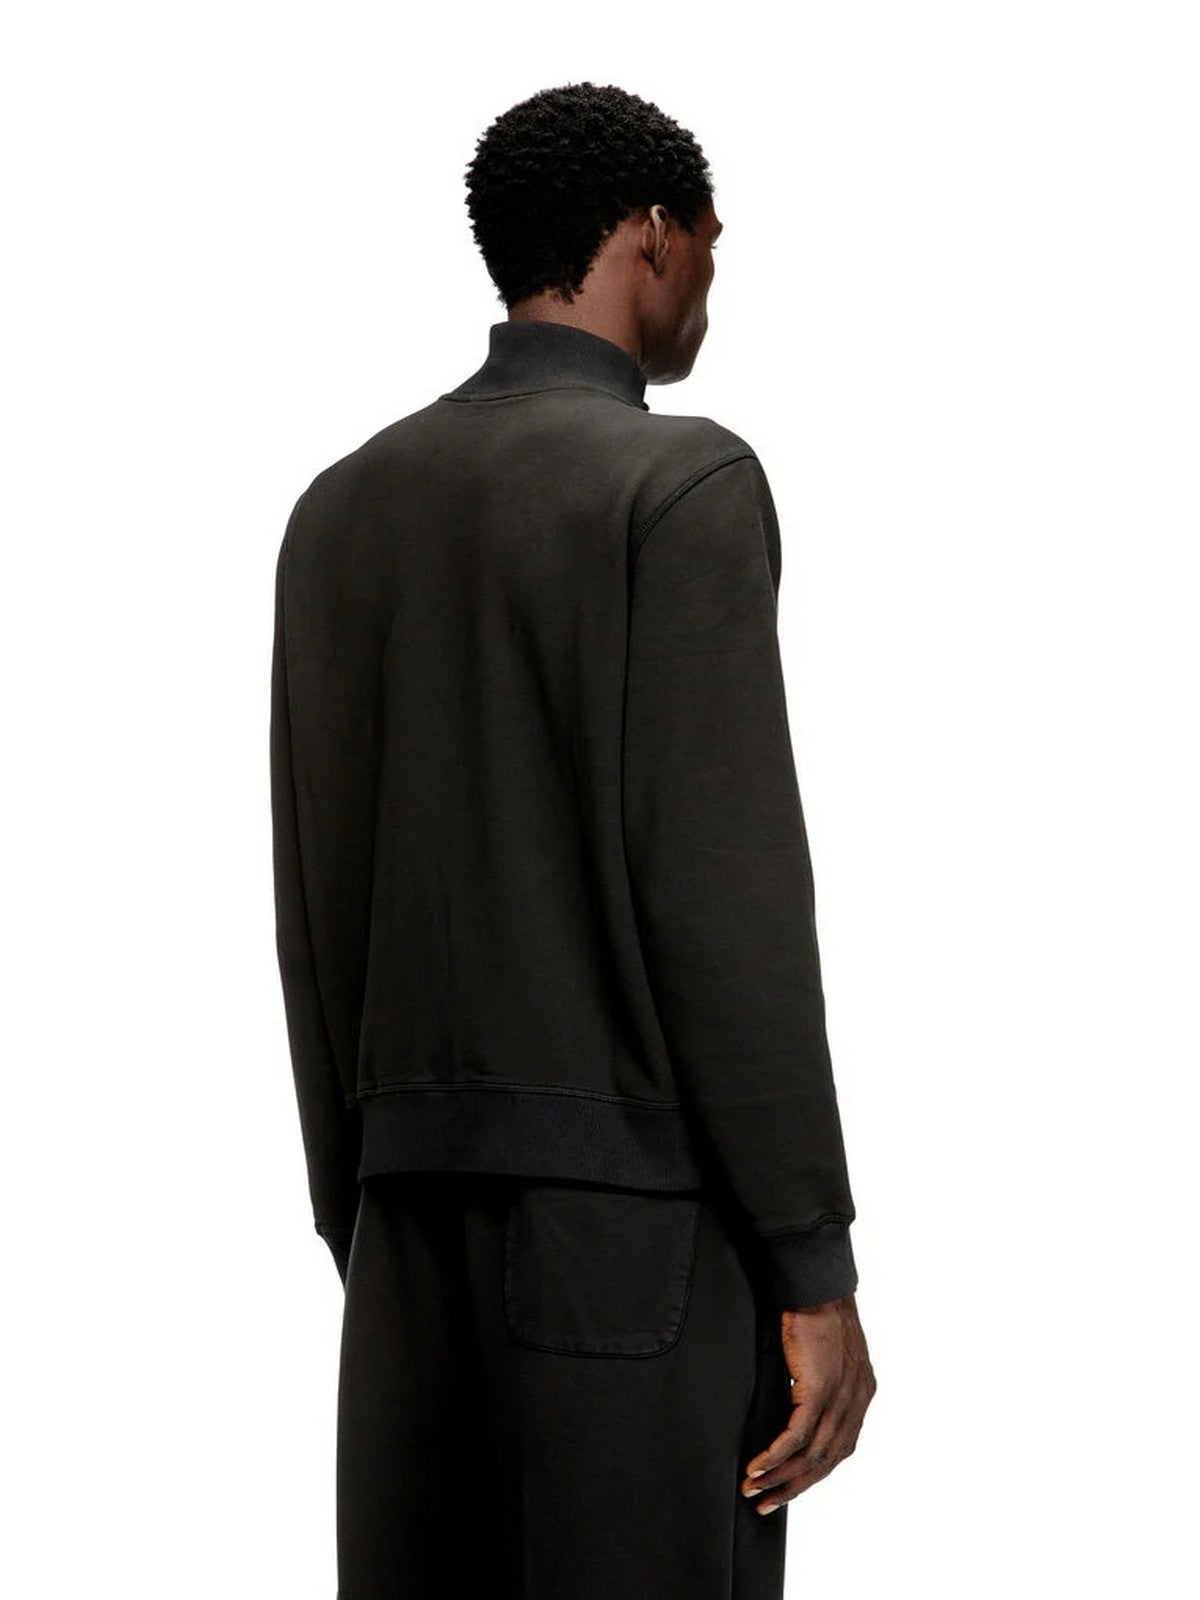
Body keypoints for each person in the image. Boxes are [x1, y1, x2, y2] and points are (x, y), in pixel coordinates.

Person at [270, 79, 875, 1600]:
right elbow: (725, 900)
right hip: (636, 1249)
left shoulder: (340, 508)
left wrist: (361, 1208)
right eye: (712, 245)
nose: (710, 284)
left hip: (405, 1231)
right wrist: (813, 1262)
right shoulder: (680, 485)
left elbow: (314, 901)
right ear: (655, 235)